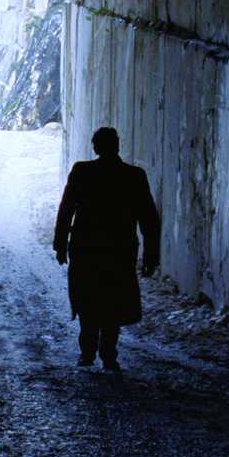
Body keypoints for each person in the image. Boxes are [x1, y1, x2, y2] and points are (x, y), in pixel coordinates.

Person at [53, 126, 160, 371]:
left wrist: (60, 244)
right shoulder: (134, 175)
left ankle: (88, 351)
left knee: (87, 298)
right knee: (114, 299)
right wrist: (151, 255)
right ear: (117, 146)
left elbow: (66, 208)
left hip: (85, 248)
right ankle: (108, 353)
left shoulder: (82, 172)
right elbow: (148, 218)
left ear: (95, 147)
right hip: (119, 250)